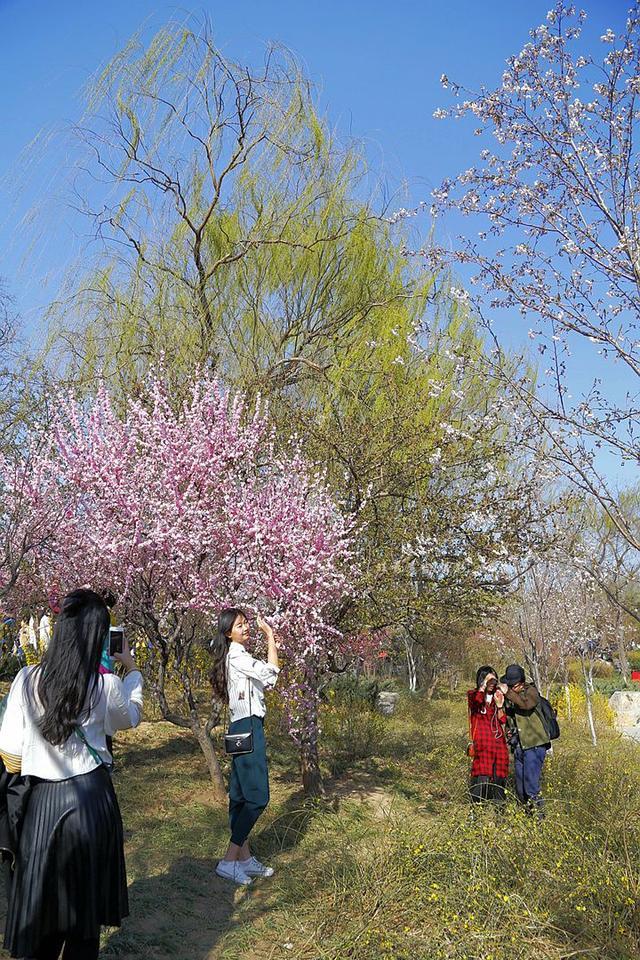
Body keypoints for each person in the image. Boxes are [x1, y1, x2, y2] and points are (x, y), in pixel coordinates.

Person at [0, 588, 143, 959]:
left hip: (43, 806)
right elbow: (131, 717)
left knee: (42, 913)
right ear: (99, 638)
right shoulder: (104, 686)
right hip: (92, 802)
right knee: (84, 923)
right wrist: (132, 670)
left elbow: (11, 758)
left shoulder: (25, 681)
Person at [210, 607, 279, 886]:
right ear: (229, 633)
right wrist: (271, 636)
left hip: (237, 728)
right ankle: (229, 860)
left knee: (238, 796)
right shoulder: (238, 657)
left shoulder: (233, 656)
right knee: (258, 797)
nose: (246, 627)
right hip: (249, 727)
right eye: (240, 625)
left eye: (246, 623)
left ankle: (244, 858)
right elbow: (272, 674)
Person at [501, 663, 550, 817]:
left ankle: (540, 819)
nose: (510, 687)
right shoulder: (511, 697)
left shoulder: (531, 692)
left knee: (531, 787)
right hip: (519, 747)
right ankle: (528, 818)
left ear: (520, 683)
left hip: (535, 745)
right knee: (520, 789)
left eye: (512, 685)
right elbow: (509, 718)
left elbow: (525, 704)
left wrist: (508, 692)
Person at [467, 665, 509, 805]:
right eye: (488, 680)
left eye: (493, 680)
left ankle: (499, 811)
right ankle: (476, 811)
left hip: (498, 745)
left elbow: (502, 720)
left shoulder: (498, 695)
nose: (492, 684)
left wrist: (500, 705)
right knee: (481, 777)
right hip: (483, 744)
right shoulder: (474, 695)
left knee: (499, 779)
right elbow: (475, 703)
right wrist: (483, 685)